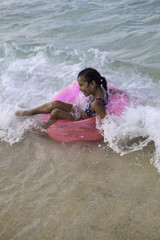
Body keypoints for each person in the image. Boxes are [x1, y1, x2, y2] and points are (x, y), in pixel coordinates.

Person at [16, 68, 108, 128]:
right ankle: (29, 112)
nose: (80, 88)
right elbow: (110, 90)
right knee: (55, 103)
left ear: (92, 84)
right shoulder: (101, 89)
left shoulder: (96, 103)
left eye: (81, 85)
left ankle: (46, 128)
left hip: (80, 120)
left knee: (55, 112)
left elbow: (106, 121)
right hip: (79, 111)